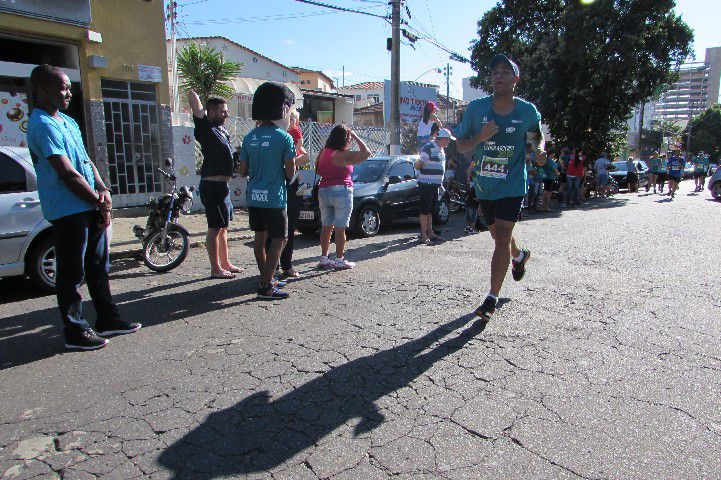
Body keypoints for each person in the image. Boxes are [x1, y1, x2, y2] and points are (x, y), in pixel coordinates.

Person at [26, 65, 140, 350]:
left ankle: (108, 318)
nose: (68, 93)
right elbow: (67, 173)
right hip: (69, 209)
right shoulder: (41, 124)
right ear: (41, 89)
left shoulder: (66, 121)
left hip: (89, 204)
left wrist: (103, 190)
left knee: (99, 266)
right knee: (71, 273)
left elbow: (86, 162)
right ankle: (75, 331)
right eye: (61, 88)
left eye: (69, 88)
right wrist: (97, 202)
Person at [455, 53, 543, 322]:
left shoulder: (527, 111)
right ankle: (519, 256)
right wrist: (480, 137)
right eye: (495, 72)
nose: (499, 76)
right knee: (498, 237)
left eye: (506, 72)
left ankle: (491, 298)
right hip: (484, 184)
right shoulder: (476, 109)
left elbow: (533, 144)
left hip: (513, 183)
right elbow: (461, 145)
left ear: (516, 78)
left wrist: (538, 153)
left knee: (503, 234)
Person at [237, 82, 297, 299]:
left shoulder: (249, 137)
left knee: (259, 238)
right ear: (283, 109)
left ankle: (267, 278)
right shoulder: (284, 137)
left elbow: (242, 171)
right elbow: (290, 173)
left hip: (254, 196)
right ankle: (265, 285)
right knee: (280, 238)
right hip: (274, 198)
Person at [189, 91, 243, 279]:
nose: (226, 115)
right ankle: (215, 268)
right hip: (211, 186)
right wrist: (202, 110)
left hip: (223, 187)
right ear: (210, 112)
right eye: (222, 112)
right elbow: (193, 98)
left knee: (223, 227)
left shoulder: (223, 131)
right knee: (214, 228)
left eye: (226, 111)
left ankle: (226, 263)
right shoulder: (205, 127)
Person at [316, 125, 371, 270]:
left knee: (326, 226)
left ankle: (324, 257)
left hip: (323, 190)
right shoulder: (342, 155)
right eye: (348, 138)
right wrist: (355, 136)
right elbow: (366, 153)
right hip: (342, 190)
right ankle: (340, 259)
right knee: (340, 228)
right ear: (344, 138)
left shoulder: (323, 152)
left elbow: (318, 169)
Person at [266, 109, 309, 278]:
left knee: (289, 229)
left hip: (291, 187)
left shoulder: (292, 136)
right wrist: (297, 161)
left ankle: (286, 264)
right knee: (274, 231)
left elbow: (301, 158)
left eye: (293, 118)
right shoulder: (277, 138)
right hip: (278, 186)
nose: (291, 121)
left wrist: (300, 160)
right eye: (288, 117)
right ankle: (272, 267)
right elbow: (285, 167)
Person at [416, 128, 455, 244]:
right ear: (443, 139)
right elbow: (418, 165)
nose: (449, 143)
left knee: (431, 210)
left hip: (435, 185)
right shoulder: (428, 148)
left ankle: (431, 233)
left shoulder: (441, 150)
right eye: (448, 140)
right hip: (426, 184)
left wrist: (440, 185)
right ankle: (423, 235)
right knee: (424, 210)